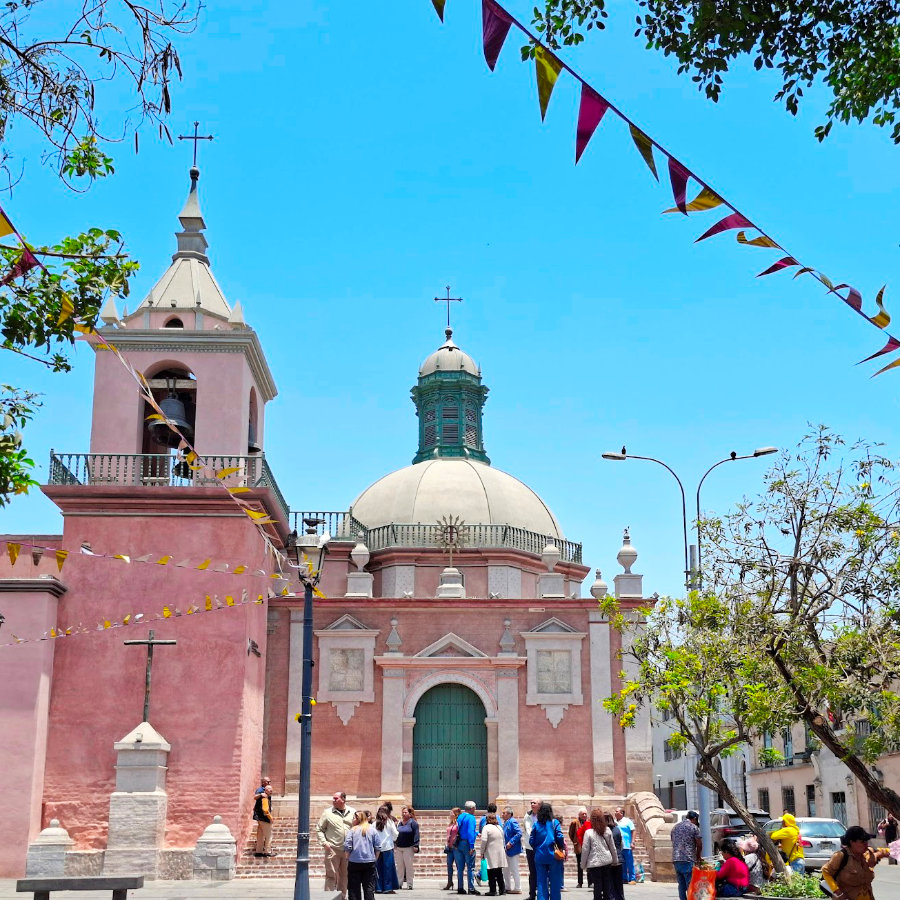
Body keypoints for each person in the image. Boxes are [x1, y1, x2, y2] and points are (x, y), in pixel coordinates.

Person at [821, 825, 891, 900]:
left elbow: (886, 851)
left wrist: (876, 855)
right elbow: (826, 872)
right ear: (852, 842)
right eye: (862, 842)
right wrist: (837, 891)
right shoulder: (841, 856)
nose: (866, 844)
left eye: (866, 841)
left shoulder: (868, 853)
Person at [318, 790, 358, 900]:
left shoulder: (352, 812)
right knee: (331, 875)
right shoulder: (327, 812)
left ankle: (342, 897)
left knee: (345, 877)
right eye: (333, 798)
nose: (333, 800)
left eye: (336, 798)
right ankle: (329, 897)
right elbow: (319, 829)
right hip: (332, 849)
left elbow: (356, 829)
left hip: (347, 851)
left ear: (343, 799)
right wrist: (324, 843)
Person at [345, 810, 385, 900]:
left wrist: (347, 858)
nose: (352, 820)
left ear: (358, 819)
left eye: (354, 818)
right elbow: (378, 847)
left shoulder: (352, 830)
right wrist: (375, 859)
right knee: (369, 888)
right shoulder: (372, 830)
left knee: (354, 889)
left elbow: (347, 846)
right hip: (369, 861)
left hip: (354, 861)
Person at [529, 801, 565, 900]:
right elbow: (560, 836)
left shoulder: (536, 824)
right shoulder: (554, 822)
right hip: (553, 855)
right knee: (555, 882)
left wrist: (536, 848)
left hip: (540, 856)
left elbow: (531, 840)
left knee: (541, 881)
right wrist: (561, 847)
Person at [580, 809, 618, 900]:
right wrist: (615, 860)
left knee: (597, 886)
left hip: (594, 863)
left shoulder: (588, 833)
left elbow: (585, 850)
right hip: (607, 861)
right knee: (606, 886)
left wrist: (583, 864)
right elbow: (612, 847)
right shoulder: (607, 830)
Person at [670, 810, 701, 900]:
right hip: (688, 859)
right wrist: (698, 856)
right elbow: (699, 843)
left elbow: (673, 841)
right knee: (690, 884)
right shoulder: (693, 827)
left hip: (676, 859)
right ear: (694, 819)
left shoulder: (675, 827)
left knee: (681, 885)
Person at [456, 800, 481, 896]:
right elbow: (470, 831)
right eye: (475, 808)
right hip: (467, 843)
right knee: (470, 867)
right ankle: (471, 888)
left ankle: (460, 887)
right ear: (471, 808)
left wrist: (476, 833)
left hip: (459, 844)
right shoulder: (471, 817)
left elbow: (461, 830)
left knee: (460, 868)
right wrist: (471, 846)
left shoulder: (460, 816)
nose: (475, 810)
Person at [375, 805, 400, 894]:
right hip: (388, 848)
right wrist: (393, 839)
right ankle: (388, 887)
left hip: (377, 849)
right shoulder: (390, 822)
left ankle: (378, 887)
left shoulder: (375, 823)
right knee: (388, 868)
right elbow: (395, 834)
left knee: (378, 868)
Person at [481, 812, 508, 895]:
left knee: (491, 871)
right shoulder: (499, 827)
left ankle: (492, 890)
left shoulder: (486, 828)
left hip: (490, 852)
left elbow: (484, 840)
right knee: (499, 871)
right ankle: (502, 889)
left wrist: (482, 852)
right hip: (500, 852)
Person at [395, 805, 420, 890]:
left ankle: (409, 884)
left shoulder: (413, 823)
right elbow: (396, 834)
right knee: (400, 866)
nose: (403, 814)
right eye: (403, 812)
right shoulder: (399, 823)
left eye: (405, 812)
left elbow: (416, 834)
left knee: (409, 866)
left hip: (408, 848)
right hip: (399, 847)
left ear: (410, 814)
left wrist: (416, 845)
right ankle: (399, 883)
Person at [503, 806, 524, 894]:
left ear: (509, 814)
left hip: (513, 850)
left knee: (514, 868)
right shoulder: (506, 822)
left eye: (504, 813)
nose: (502, 814)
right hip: (506, 850)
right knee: (506, 869)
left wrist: (511, 843)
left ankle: (517, 887)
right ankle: (507, 887)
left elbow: (519, 833)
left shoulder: (513, 821)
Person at [605, 814, 624, 900]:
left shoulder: (606, 831)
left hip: (610, 860)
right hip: (619, 858)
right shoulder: (617, 829)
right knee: (619, 885)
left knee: (610, 885)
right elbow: (622, 844)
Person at [614, 809, 635, 885]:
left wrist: (632, 842)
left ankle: (632, 878)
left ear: (622, 813)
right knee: (622, 863)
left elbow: (633, 830)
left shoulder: (627, 821)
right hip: (619, 846)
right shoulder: (614, 822)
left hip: (627, 845)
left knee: (629, 862)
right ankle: (624, 878)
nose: (615, 812)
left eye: (617, 811)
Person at [524, 799, 540, 900]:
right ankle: (532, 894)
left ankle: (543, 893)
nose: (532, 804)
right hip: (530, 848)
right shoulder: (527, 816)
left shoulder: (544, 816)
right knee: (532, 872)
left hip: (540, 847)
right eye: (531, 803)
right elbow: (528, 831)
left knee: (542, 871)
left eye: (534, 803)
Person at [569, 808, 589, 889]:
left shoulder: (589, 822)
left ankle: (590, 882)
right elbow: (571, 833)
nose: (584, 815)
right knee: (580, 865)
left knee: (589, 864)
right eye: (582, 814)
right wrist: (574, 841)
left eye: (585, 814)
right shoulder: (575, 822)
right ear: (579, 815)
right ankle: (580, 882)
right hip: (579, 846)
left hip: (588, 846)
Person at [253, 784, 274, 857]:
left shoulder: (262, 797)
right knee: (269, 836)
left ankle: (259, 851)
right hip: (265, 819)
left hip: (260, 819)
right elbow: (265, 810)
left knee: (260, 835)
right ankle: (267, 851)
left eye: (271, 789)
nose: (271, 791)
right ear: (265, 790)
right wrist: (270, 818)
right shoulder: (265, 798)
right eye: (269, 789)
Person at [445, 808, 462, 891]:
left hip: (456, 847)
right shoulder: (450, 823)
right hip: (449, 847)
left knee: (459, 865)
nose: (449, 814)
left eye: (451, 813)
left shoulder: (458, 823)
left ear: (455, 814)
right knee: (449, 865)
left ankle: (460, 884)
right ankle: (449, 882)